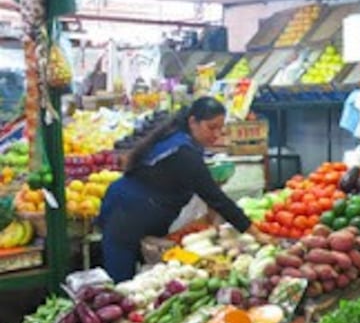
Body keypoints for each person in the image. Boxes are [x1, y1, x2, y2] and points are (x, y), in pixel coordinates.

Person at [97, 96, 272, 281]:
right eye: (211, 127)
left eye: (221, 128)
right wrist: (257, 234)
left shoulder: (181, 139)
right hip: (126, 212)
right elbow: (217, 198)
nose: (217, 134)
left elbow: (207, 193)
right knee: (120, 281)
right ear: (193, 122)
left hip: (137, 208)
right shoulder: (183, 152)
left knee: (142, 274)